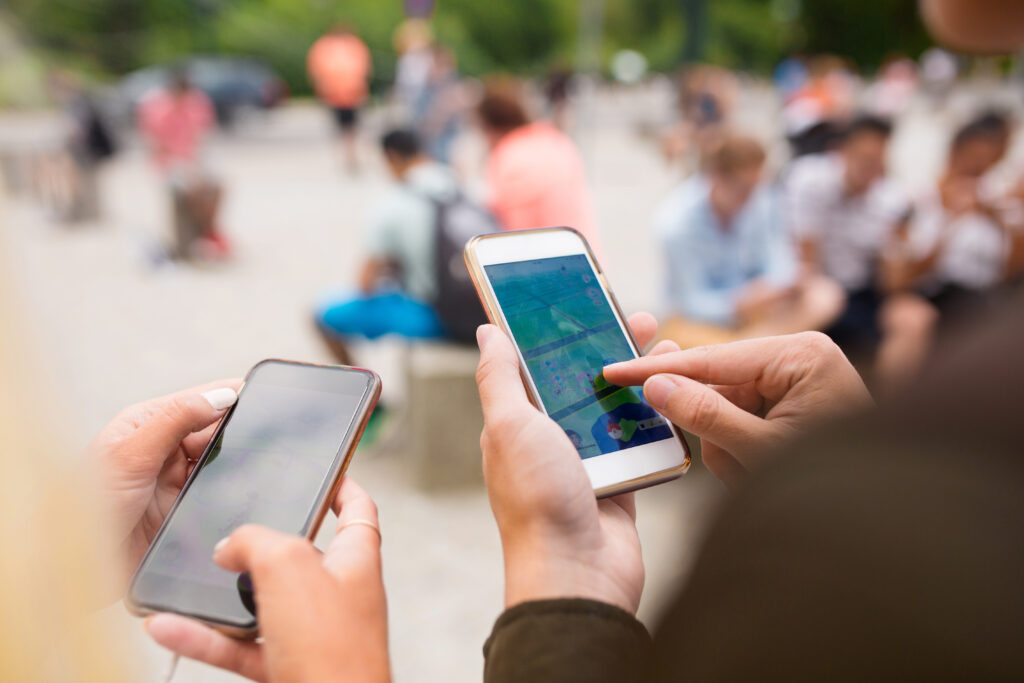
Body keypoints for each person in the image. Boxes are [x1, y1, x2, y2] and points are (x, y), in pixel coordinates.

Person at [785, 114, 936, 387]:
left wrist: (899, 239)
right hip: (821, 285)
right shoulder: (810, 181)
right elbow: (806, 257)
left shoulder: (890, 199)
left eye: (877, 160)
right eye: (864, 158)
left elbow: (892, 282)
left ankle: (889, 409)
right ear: (842, 151)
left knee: (916, 316)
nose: (871, 169)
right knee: (821, 298)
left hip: (864, 291)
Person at [655, 134, 843, 348]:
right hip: (697, 322)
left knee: (824, 295)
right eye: (744, 189)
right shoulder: (676, 223)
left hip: (754, 313)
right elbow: (691, 303)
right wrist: (741, 303)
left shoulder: (759, 199)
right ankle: (753, 351)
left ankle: (746, 350)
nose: (751, 197)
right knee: (680, 337)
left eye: (756, 186)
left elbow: (777, 261)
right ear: (715, 177)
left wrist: (782, 284)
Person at [313, 129, 458, 364]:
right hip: (474, 309)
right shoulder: (457, 182)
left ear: (391, 156)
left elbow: (364, 283)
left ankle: (365, 396)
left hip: (433, 315)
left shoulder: (395, 200)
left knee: (323, 314)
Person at [889, 112, 1024, 326]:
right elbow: (899, 278)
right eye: (974, 161)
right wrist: (951, 223)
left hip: (984, 299)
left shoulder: (994, 203)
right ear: (955, 154)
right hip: (932, 296)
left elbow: (1010, 272)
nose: (978, 173)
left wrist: (996, 219)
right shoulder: (916, 199)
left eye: (985, 164)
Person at [476, 78, 603, 255]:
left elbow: (510, 231)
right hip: (583, 257)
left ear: (488, 126)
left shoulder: (508, 157)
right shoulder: (556, 140)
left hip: (540, 265)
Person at [137, 69, 228, 262]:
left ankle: (209, 230)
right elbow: (155, 145)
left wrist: (195, 164)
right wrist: (184, 165)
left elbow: (202, 137)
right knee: (191, 188)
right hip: (168, 162)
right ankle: (205, 233)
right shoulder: (156, 107)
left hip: (192, 160)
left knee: (217, 186)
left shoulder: (197, 103)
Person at [307, 25, 373, 171]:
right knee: (346, 127)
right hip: (339, 93)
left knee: (350, 127)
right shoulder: (328, 46)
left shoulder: (350, 45)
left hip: (350, 93)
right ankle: (349, 155)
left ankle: (350, 154)